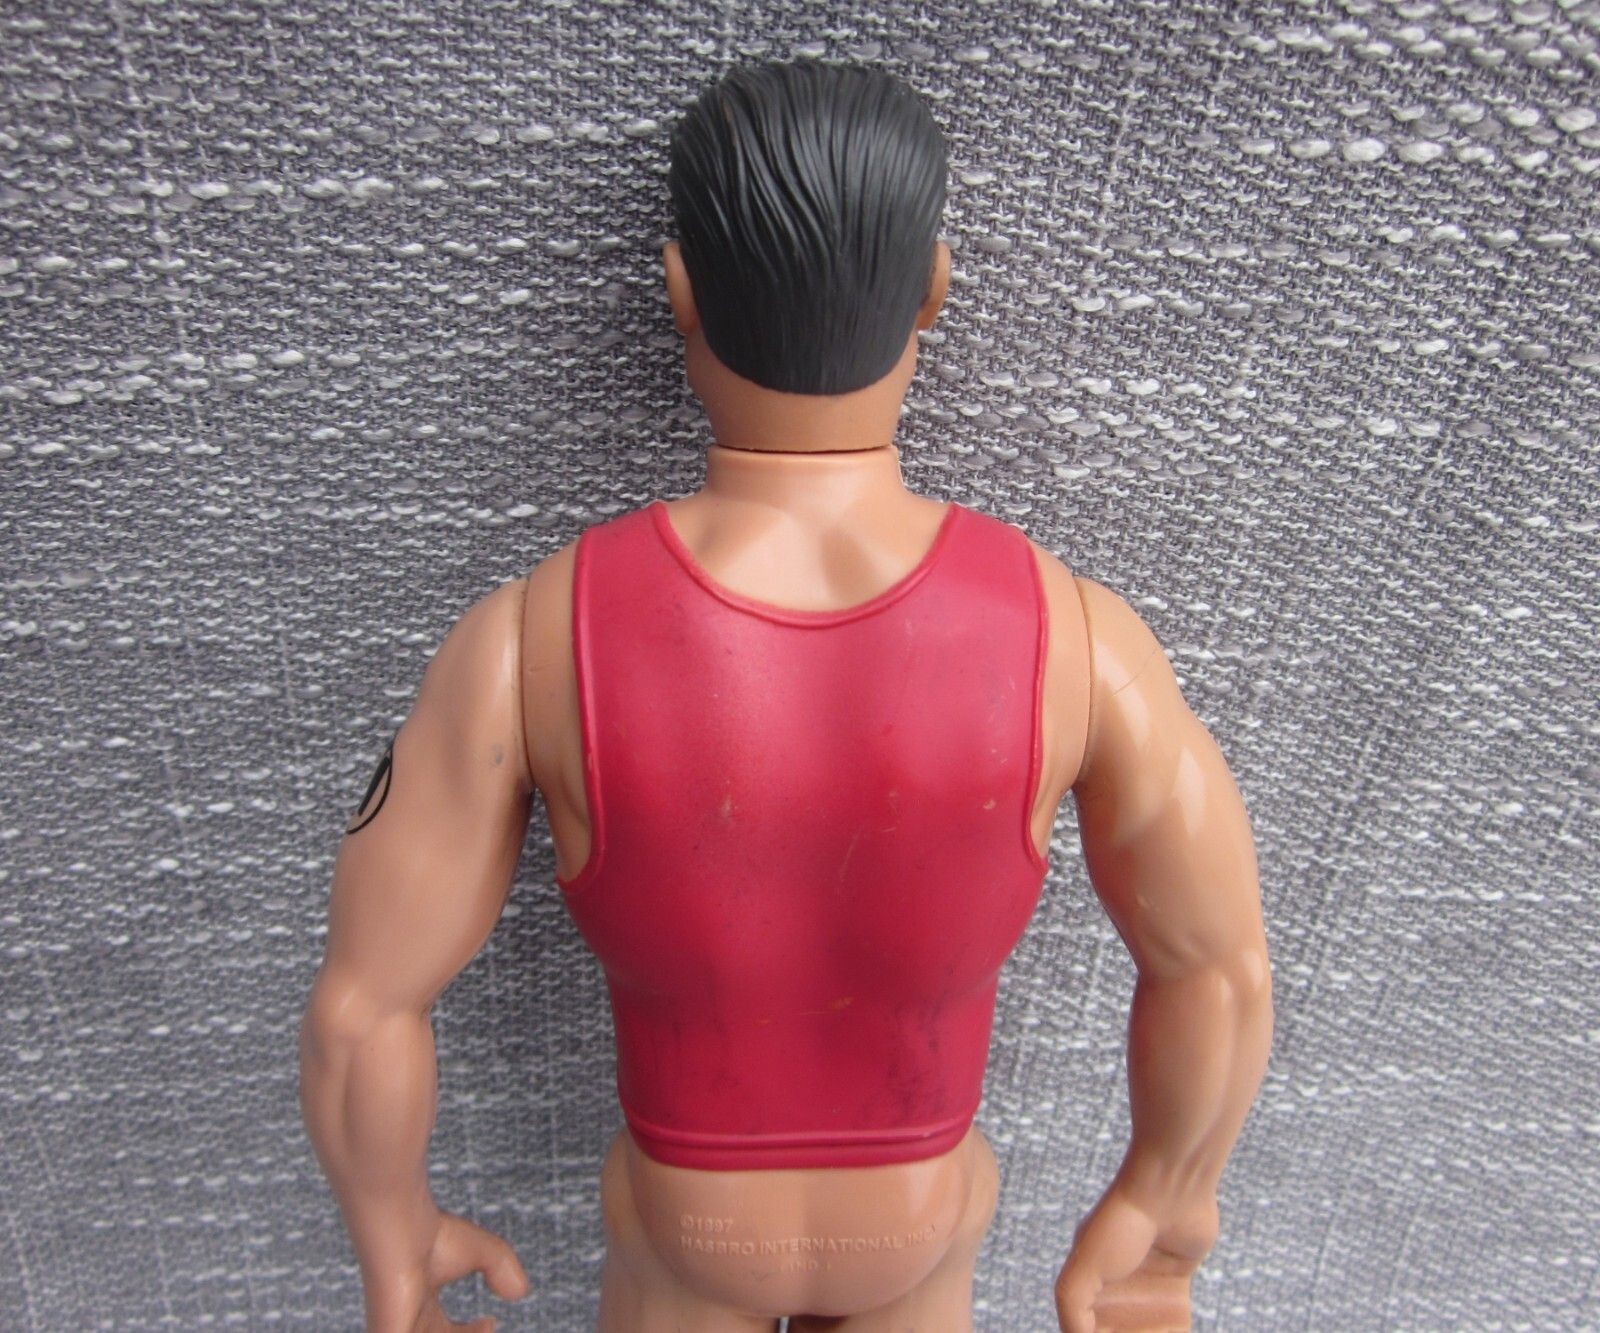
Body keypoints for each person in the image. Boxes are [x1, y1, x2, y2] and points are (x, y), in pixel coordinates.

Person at [299, 59, 1272, 1333]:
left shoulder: (530, 640)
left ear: (679, 292)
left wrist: (394, 1235)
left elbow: (363, 1008)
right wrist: (1166, 1200)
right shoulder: (1078, 640)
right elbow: (1221, 972)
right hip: (917, 1221)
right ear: (933, 289)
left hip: (685, 1228)